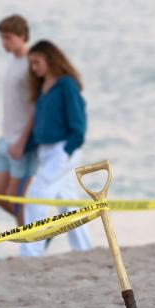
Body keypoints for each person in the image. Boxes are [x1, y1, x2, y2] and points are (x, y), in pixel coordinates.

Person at [20, 40, 91, 257]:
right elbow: (42, 125)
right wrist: (25, 147)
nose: (34, 68)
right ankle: (84, 250)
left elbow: (78, 123)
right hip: (46, 151)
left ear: (50, 60)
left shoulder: (66, 85)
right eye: (31, 64)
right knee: (67, 203)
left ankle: (31, 253)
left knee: (36, 195)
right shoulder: (43, 88)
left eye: (37, 62)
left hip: (63, 149)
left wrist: (67, 150)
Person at [0, 15, 36, 225]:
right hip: (5, 138)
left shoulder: (31, 65)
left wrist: (22, 142)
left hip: (21, 142)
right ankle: (39, 230)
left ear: (22, 36)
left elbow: (36, 107)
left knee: (17, 200)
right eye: (2, 38)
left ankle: (31, 245)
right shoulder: (11, 60)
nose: (3, 43)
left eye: (8, 38)